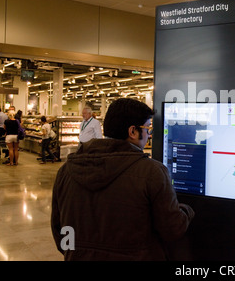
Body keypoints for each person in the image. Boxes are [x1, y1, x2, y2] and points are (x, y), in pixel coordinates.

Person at [51, 98, 194, 260]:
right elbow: (173, 229)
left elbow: (59, 230)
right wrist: (187, 209)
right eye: (148, 128)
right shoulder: (152, 172)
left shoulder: (66, 171)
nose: (149, 134)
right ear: (133, 131)